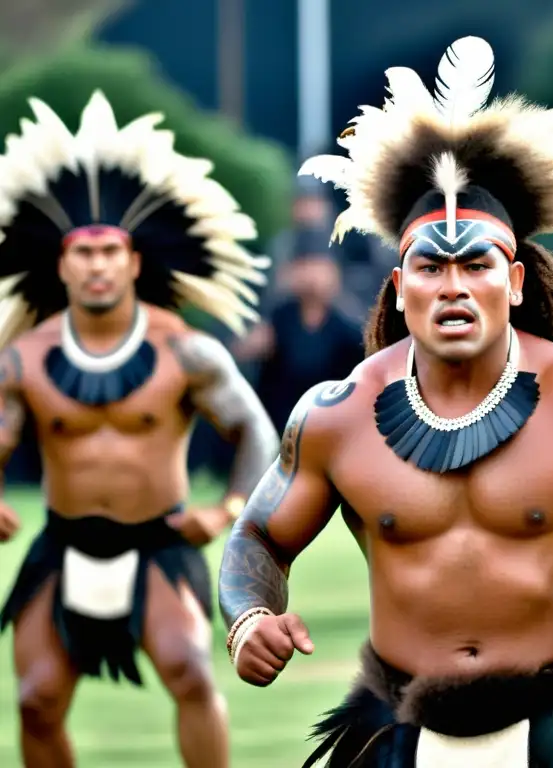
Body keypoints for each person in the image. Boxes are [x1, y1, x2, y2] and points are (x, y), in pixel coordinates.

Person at [219, 35, 553, 768]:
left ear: (519, 282)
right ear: (399, 288)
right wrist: (249, 619)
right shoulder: (334, 416)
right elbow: (256, 538)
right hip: (398, 715)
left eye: (478, 264)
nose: (455, 286)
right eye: (431, 267)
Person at [0, 91, 279, 768]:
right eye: (83, 252)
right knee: (35, 701)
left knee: (189, 670)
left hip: (159, 544)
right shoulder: (24, 357)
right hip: (62, 549)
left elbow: (257, 432)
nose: (96, 265)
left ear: (133, 262)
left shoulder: (185, 349)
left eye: (109, 251)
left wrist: (229, 510)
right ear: (61, 265)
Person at [233, 252, 365, 434]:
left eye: (320, 268)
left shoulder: (345, 325)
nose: (312, 277)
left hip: (328, 424)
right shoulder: (279, 317)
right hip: (279, 422)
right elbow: (242, 350)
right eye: (305, 267)